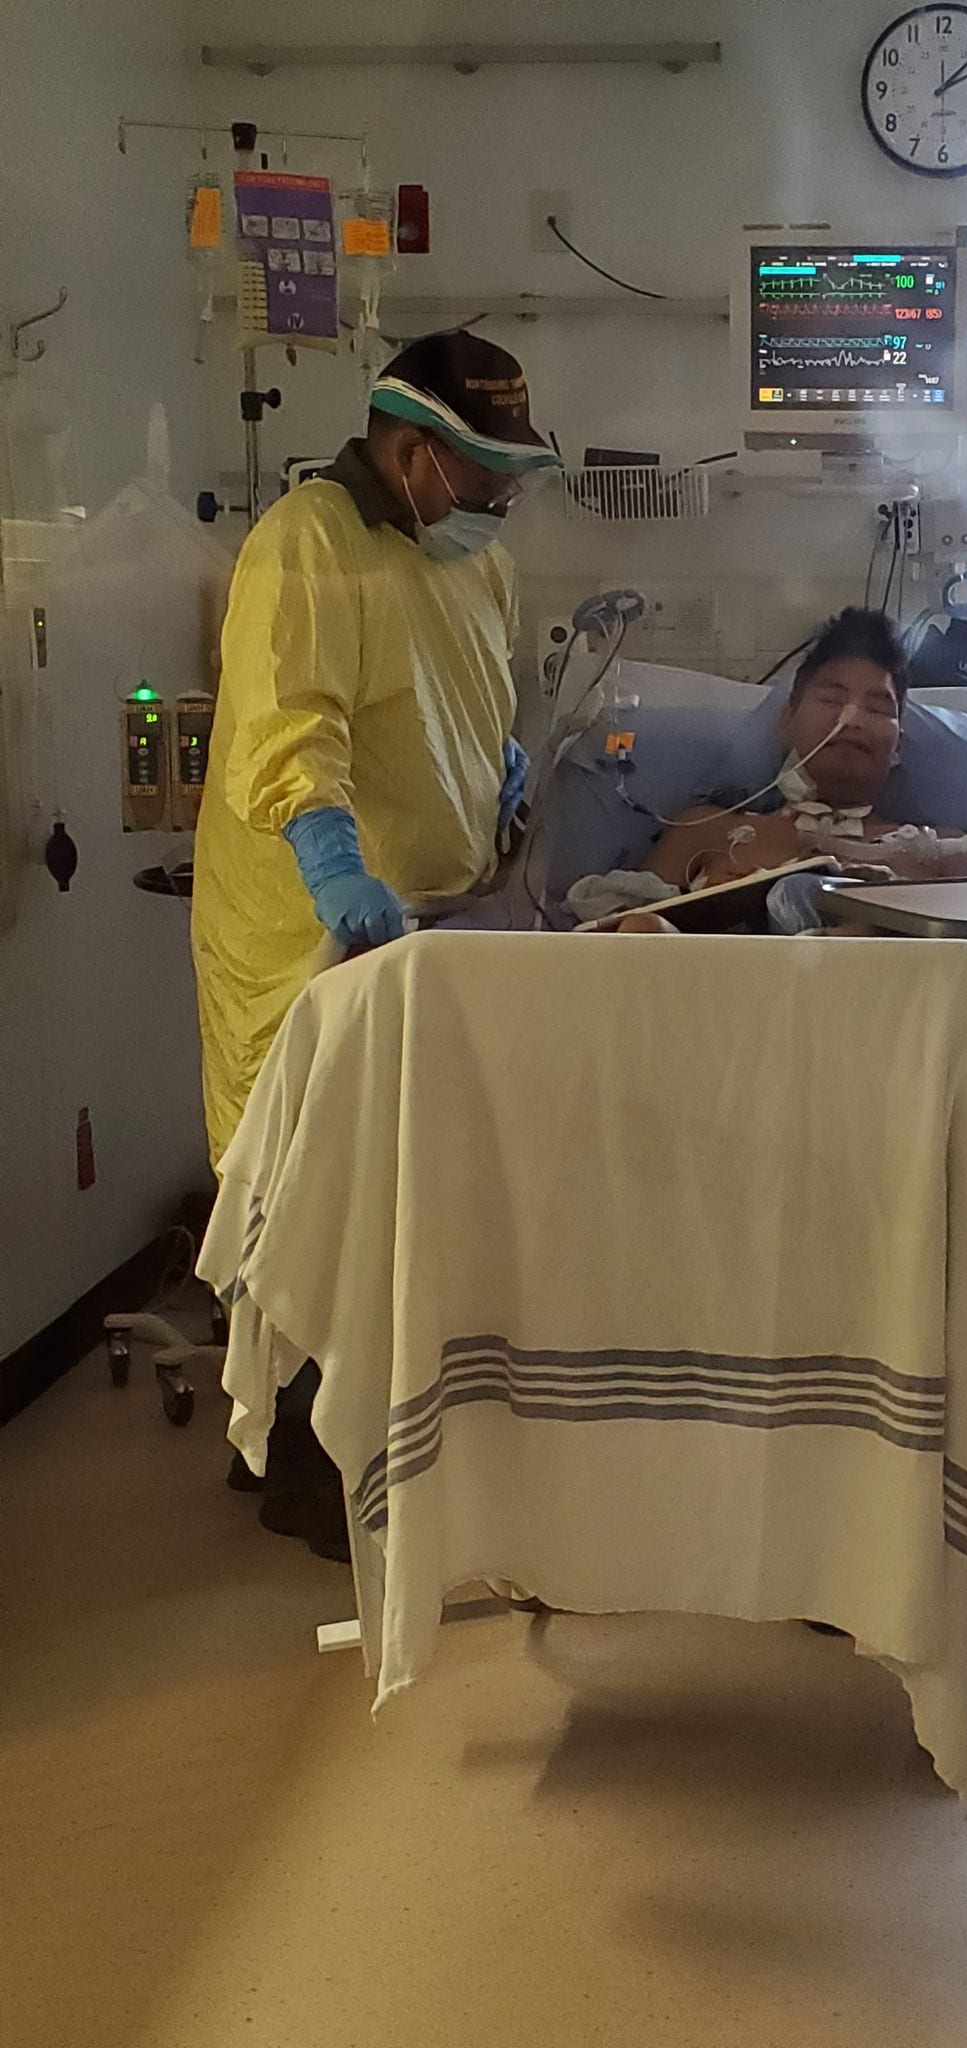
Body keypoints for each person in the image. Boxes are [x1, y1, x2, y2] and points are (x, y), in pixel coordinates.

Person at [192, 329, 559, 1556]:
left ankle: (372, 1450)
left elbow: (480, 696)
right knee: (308, 1198)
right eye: (485, 475)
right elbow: (295, 732)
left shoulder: (473, 561)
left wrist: (499, 774)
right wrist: (336, 870)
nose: (501, 503)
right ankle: (302, 1479)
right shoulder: (309, 544)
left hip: (431, 931)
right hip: (313, 930)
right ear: (410, 454)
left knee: (397, 1202)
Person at [642, 607, 967, 898]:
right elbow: (616, 937)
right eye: (831, 699)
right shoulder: (705, 831)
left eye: (876, 708)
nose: (852, 718)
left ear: (897, 749)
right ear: (787, 723)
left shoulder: (946, 854)